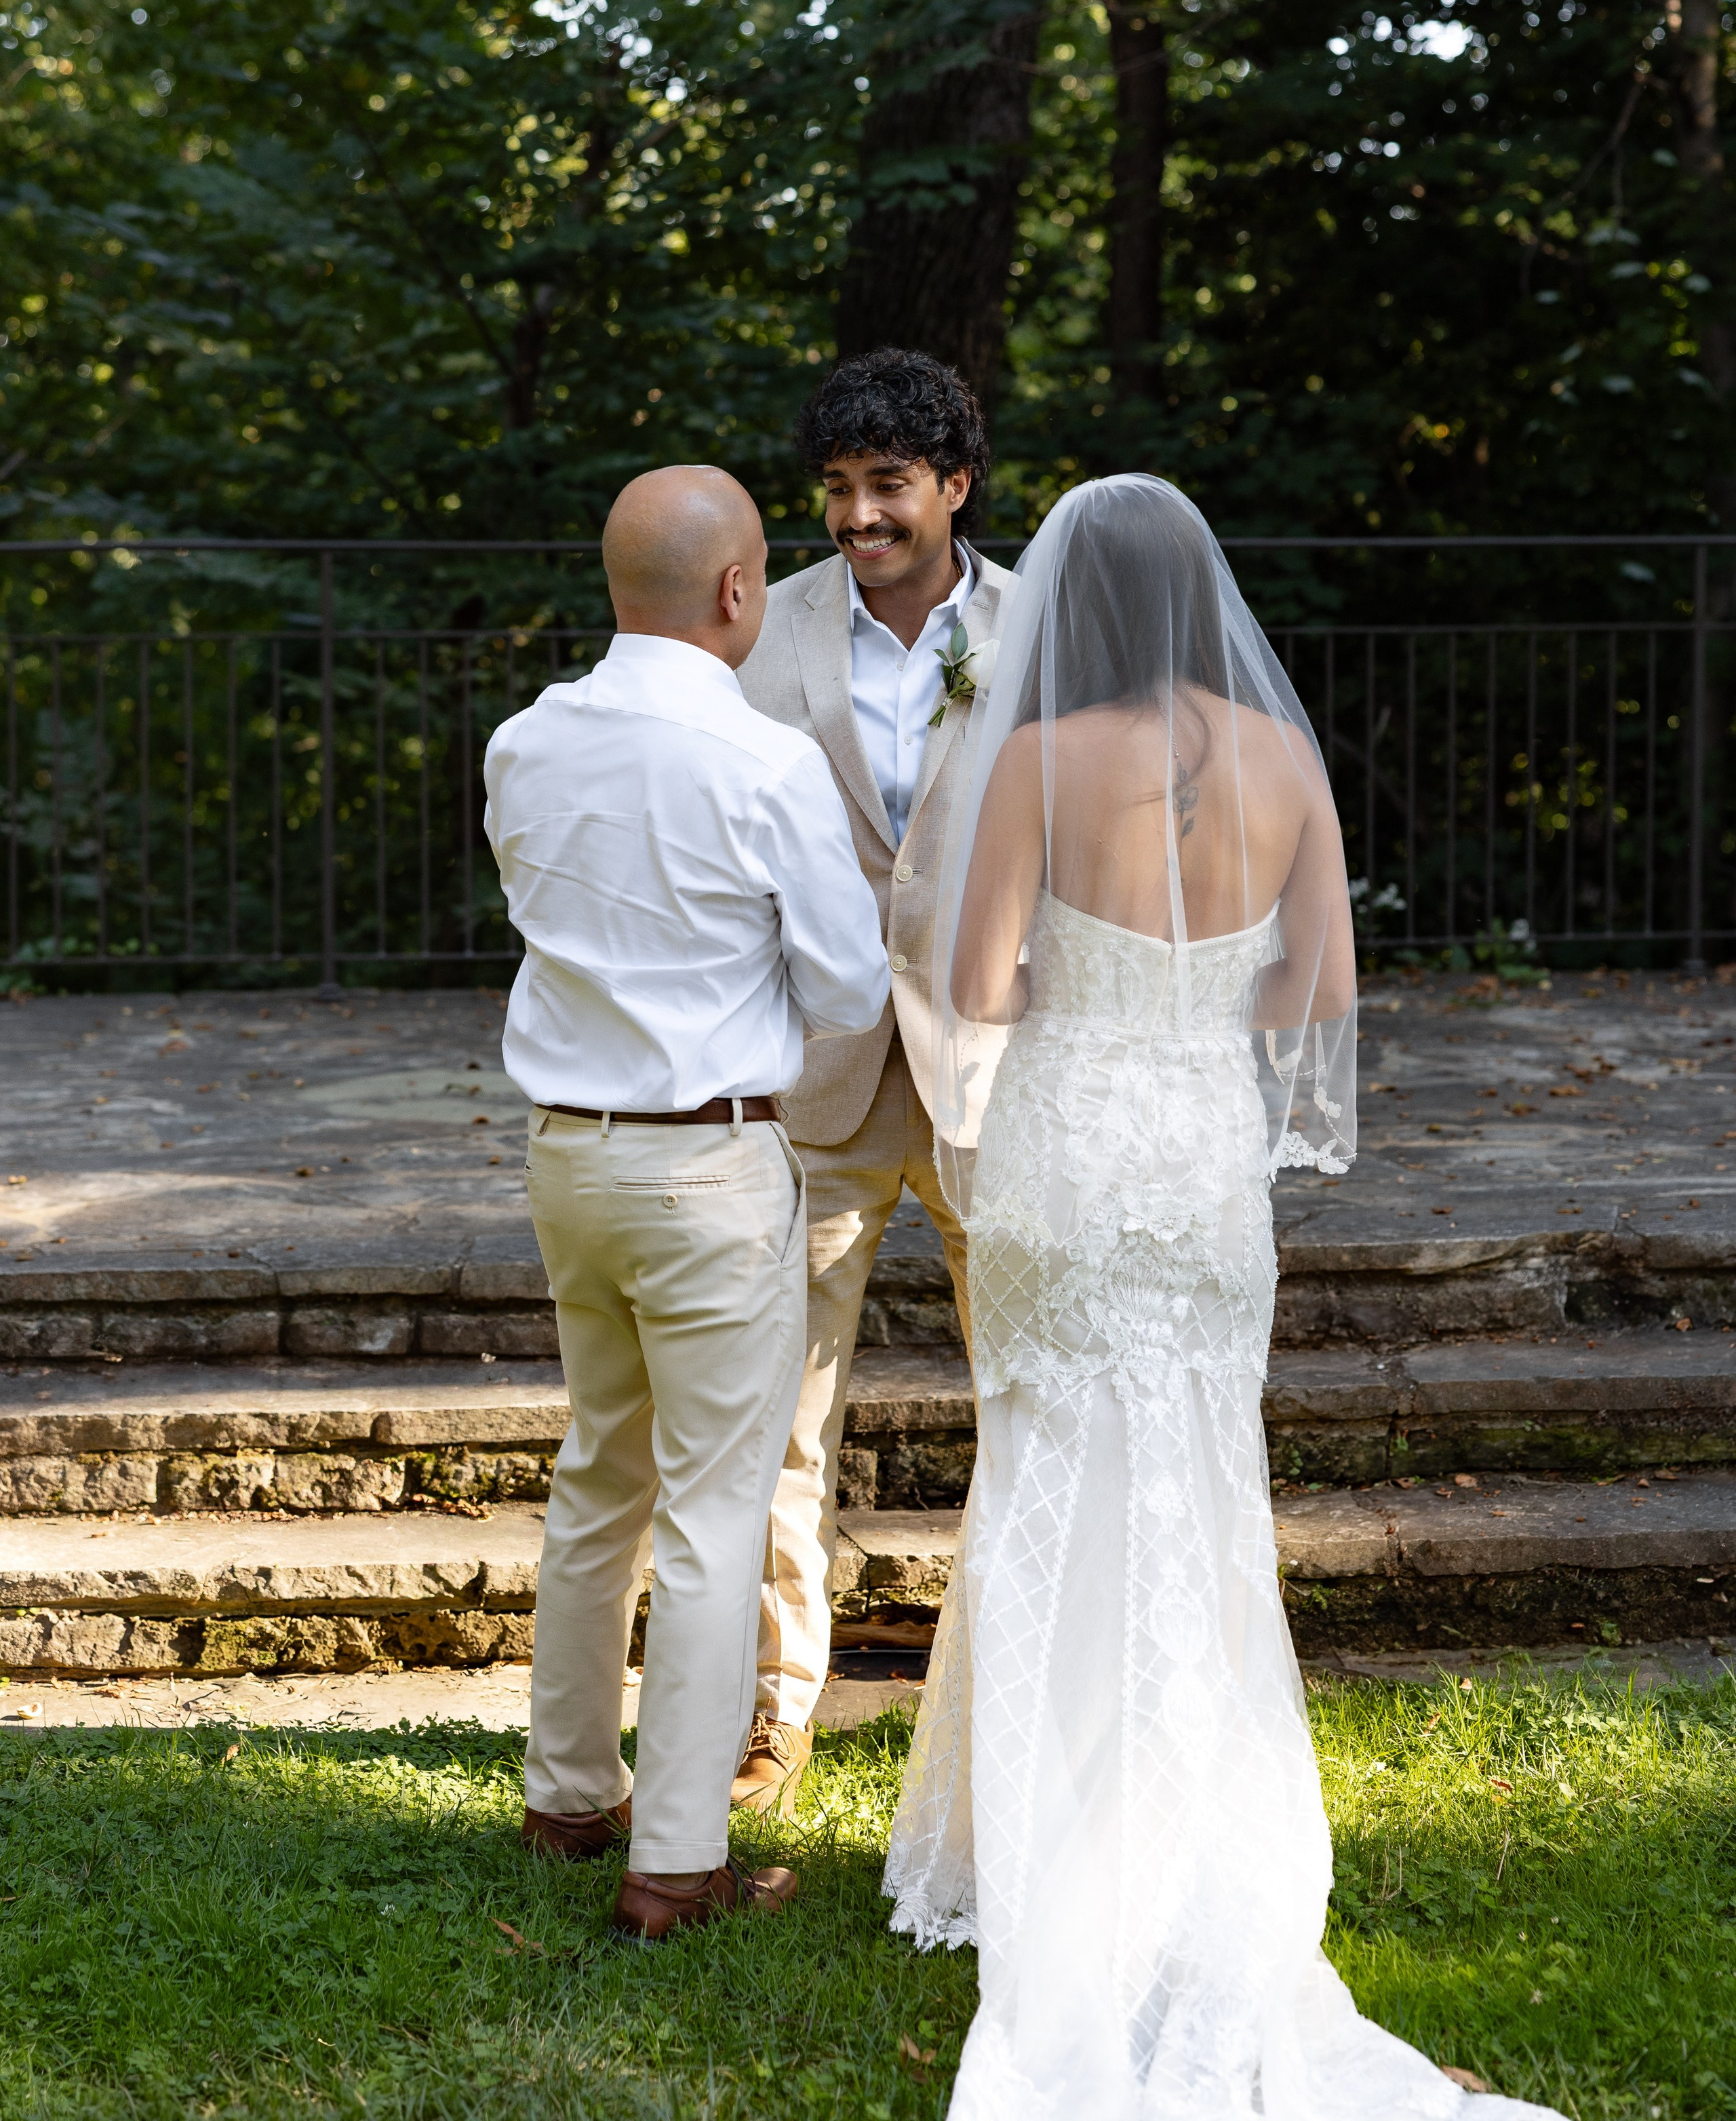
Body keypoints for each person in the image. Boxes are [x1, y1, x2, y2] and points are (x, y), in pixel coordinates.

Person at [883, 477, 1564, 2120]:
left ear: (1073, 603)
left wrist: (1072, 984)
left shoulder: (1041, 758)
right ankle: (1187, 1838)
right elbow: (1317, 980)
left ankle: (1041, 1849)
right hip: (1196, 1159)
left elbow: (975, 986)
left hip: (1064, 1150)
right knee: (1195, 1485)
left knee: (1046, 1475)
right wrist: (1189, 1002)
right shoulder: (1278, 756)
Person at [484, 464, 889, 1941]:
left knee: (600, 1469)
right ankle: (677, 1856)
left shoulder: (522, 742)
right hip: (710, 1162)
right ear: (738, 593)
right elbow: (846, 985)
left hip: (567, 1156)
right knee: (717, 1511)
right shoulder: (766, 764)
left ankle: (563, 1793)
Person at [732, 346, 1017, 1813]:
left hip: (999, 1069)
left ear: (952, 487)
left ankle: (1011, 1710)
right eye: (836, 488)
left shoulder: (1041, 625)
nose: (856, 515)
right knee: (781, 1410)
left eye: (886, 485)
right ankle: (769, 1712)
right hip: (816, 1074)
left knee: (1026, 1401)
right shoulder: (761, 631)